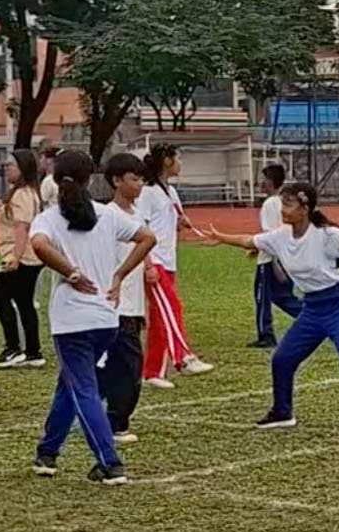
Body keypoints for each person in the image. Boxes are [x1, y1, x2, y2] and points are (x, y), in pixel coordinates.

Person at [203, 180, 339, 434]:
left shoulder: (326, 235)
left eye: (288, 204)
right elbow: (249, 241)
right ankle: (282, 412)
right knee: (282, 359)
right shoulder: (280, 236)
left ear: (305, 208)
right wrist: (221, 237)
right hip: (312, 308)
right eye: (282, 204)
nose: (283, 210)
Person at [27, 149, 157, 483]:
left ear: (56, 178)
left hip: (72, 321)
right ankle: (47, 453)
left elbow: (39, 246)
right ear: (91, 178)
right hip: (105, 319)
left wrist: (70, 273)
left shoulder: (49, 218)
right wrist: (118, 276)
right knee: (69, 385)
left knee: (84, 389)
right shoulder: (108, 215)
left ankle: (109, 462)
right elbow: (147, 238)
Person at [137, 143, 214, 387]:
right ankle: (182, 358)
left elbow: (168, 221)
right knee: (172, 308)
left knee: (160, 317)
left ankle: (153, 372)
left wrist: (181, 222)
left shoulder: (169, 191)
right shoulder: (148, 192)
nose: (181, 164)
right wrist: (147, 264)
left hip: (168, 261)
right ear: (167, 161)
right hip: (155, 260)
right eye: (178, 158)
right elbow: (140, 228)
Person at [97, 153, 153, 441]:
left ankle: (98, 413)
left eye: (141, 178)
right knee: (128, 365)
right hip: (115, 303)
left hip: (133, 302)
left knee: (114, 365)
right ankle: (116, 421)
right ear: (116, 181)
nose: (139, 184)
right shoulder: (108, 215)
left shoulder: (136, 214)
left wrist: (150, 268)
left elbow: (145, 248)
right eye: (133, 178)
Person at [0, 151, 48, 368]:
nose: (7, 168)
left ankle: (13, 348)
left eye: (11, 165)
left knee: (0, 297)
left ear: (23, 168)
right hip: (30, 257)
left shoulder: (22, 194)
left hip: (22, 257)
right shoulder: (28, 192)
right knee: (24, 302)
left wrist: (15, 256)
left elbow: (22, 228)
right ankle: (33, 351)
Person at [249, 162, 302, 348]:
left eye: (264, 179)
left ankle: (266, 334)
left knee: (263, 296)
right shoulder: (284, 202)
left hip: (270, 261)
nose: (261, 184)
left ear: (270, 182)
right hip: (285, 257)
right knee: (282, 296)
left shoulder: (270, 203)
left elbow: (271, 235)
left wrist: (274, 262)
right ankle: (314, 318)